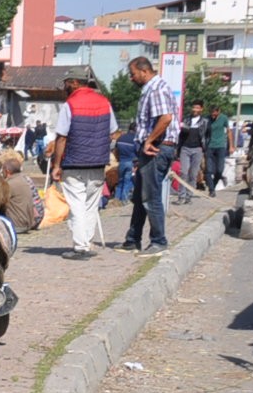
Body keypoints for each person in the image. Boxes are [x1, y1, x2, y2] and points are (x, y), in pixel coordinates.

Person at [47, 72, 116, 255]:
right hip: (98, 163)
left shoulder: (70, 104)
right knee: (91, 205)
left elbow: (61, 137)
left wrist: (56, 165)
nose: (64, 88)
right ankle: (87, 241)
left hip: (74, 162)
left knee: (77, 204)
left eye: (66, 84)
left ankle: (80, 246)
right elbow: (113, 132)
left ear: (75, 83)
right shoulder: (104, 102)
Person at [122, 56, 178, 251]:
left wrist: (149, 140)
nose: (131, 78)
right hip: (151, 148)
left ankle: (158, 241)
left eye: (133, 74)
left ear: (144, 71)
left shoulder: (157, 89)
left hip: (157, 148)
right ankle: (133, 238)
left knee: (150, 196)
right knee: (139, 196)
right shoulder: (150, 89)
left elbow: (166, 118)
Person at [175, 102, 209, 195]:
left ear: (201, 109)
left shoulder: (205, 121)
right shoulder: (186, 120)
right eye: (193, 107)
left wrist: (204, 148)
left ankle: (190, 194)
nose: (195, 109)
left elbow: (207, 136)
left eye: (197, 108)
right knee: (184, 172)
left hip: (197, 149)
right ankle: (181, 194)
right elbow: (180, 135)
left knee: (193, 174)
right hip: (185, 148)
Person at [205, 105, 230, 195]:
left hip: (220, 146)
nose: (213, 115)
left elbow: (228, 131)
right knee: (208, 170)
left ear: (218, 111)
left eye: (215, 113)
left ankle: (213, 186)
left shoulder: (224, 118)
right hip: (209, 146)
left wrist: (231, 146)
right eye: (211, 113)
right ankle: (211, 190)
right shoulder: (207, 119)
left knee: (219, 170)